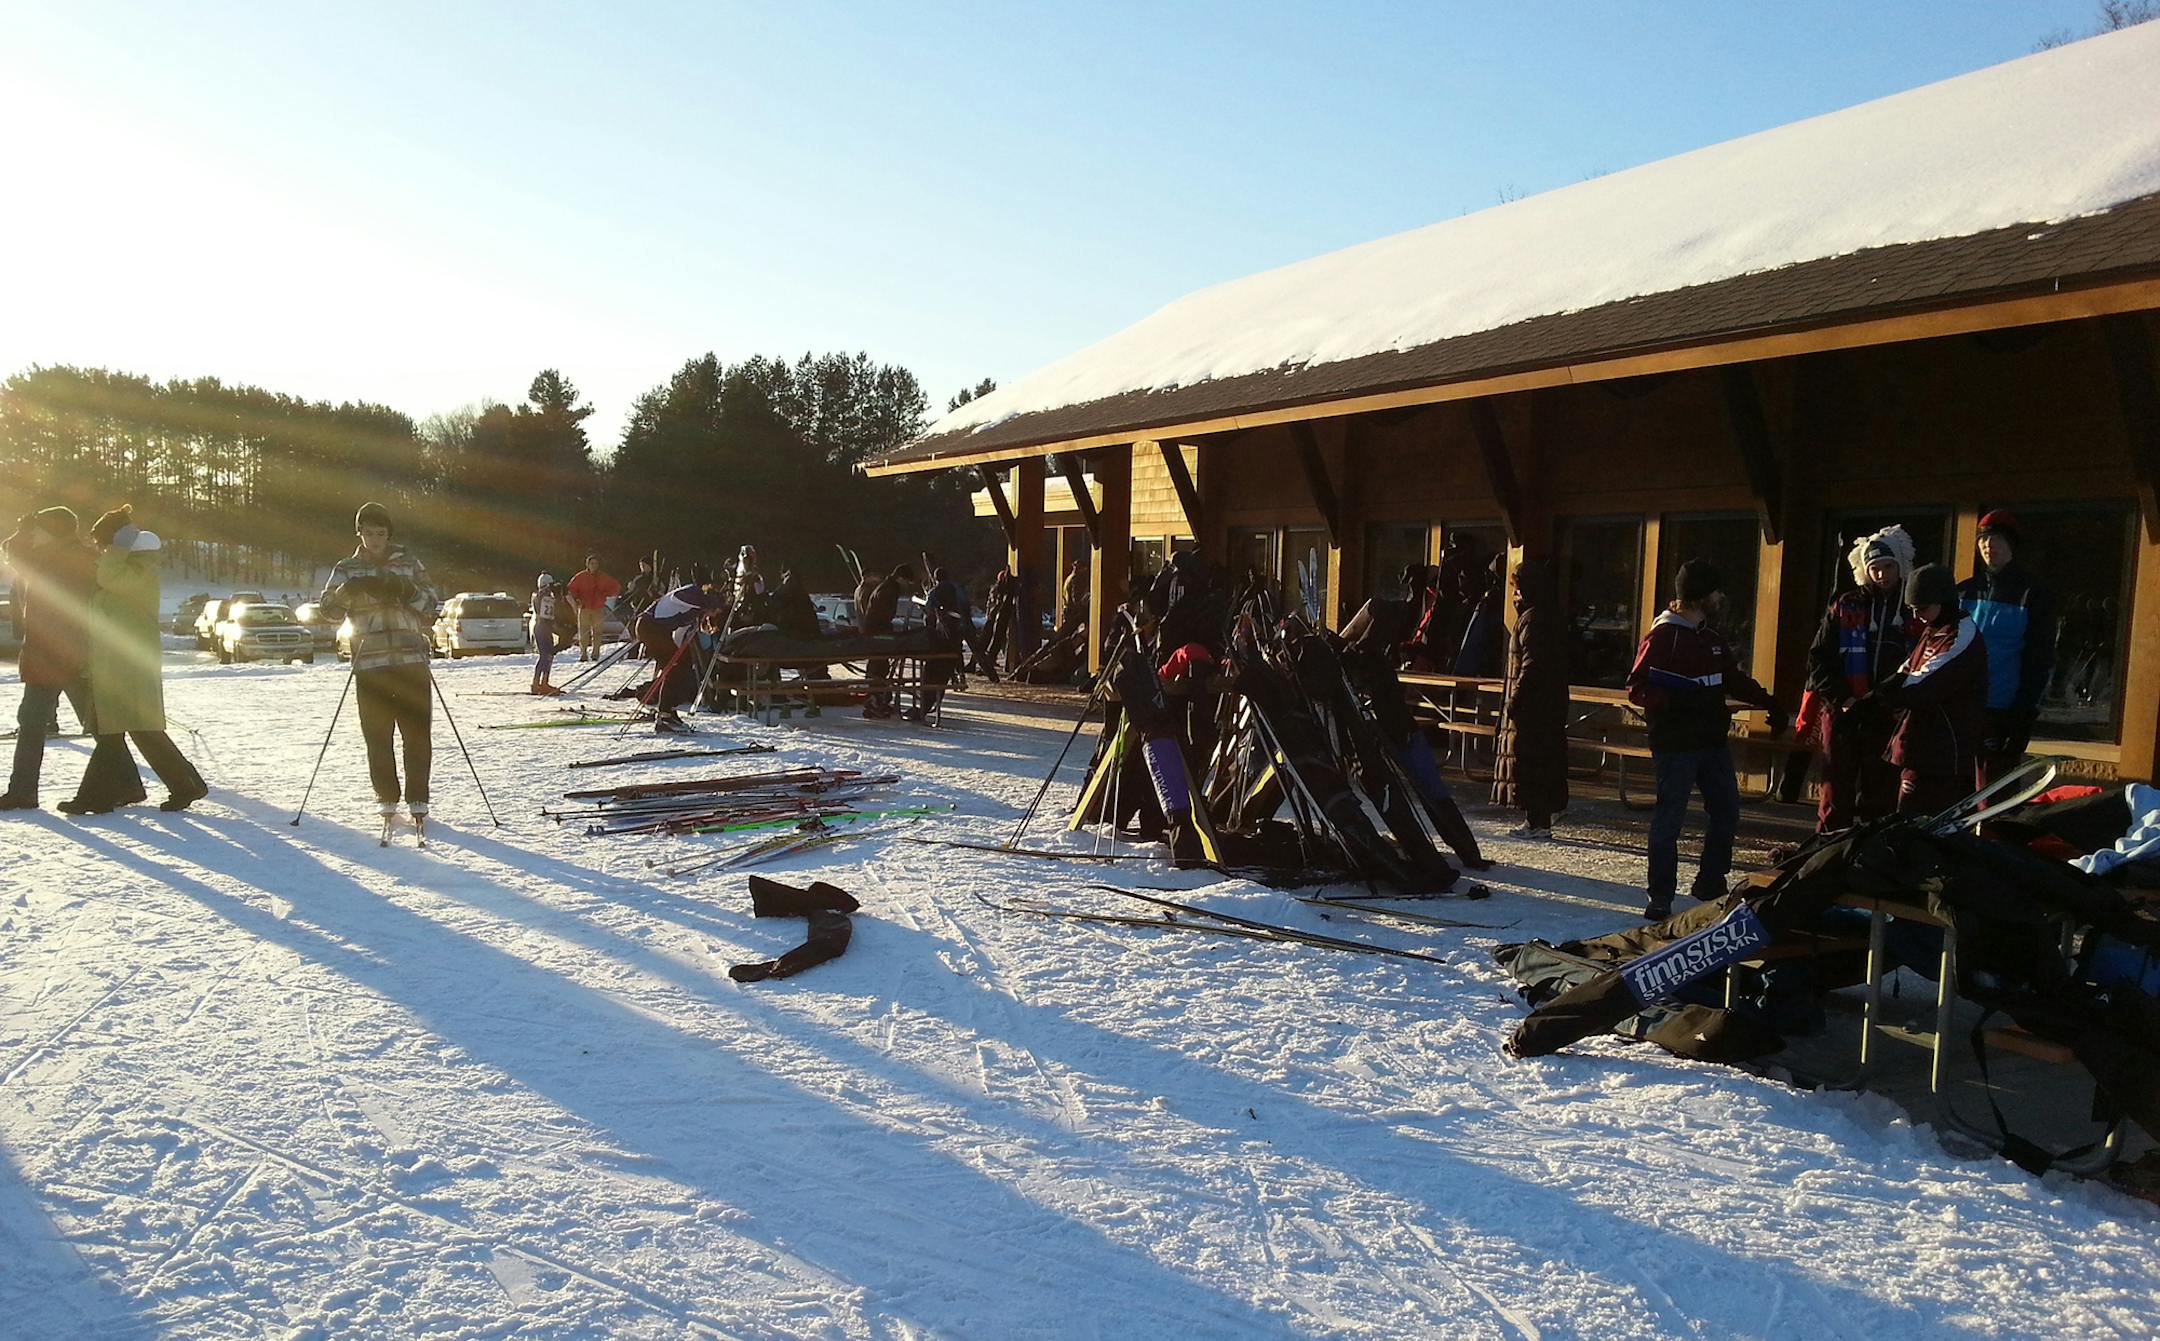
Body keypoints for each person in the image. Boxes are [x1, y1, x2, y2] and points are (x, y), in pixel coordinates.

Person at [1625, 558, 1782, 920]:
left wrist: (1768, 701)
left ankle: (1711, 882)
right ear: (1698, 596)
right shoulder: (1663, 636)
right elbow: (1637, 687)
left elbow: (1732, 678)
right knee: (1669, 819)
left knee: (1726, 811)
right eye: (1714, 591)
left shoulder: (1711, 638)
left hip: (1711, 741)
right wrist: (1674, 700)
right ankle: (1660, 895)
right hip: (1676, 744)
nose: (1720, 597)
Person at [62, 506, 209, 814]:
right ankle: (186, 785)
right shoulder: (130, 566)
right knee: (130, 730)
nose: (101, 550)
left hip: (126, 662)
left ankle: (96, 798)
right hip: (117, 661)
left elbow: (111, 577)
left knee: (114, 731)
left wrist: (117, 548)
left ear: (121, 541)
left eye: (105, 543)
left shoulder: (137, 569)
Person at [319, 502, 435, 825]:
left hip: (410, 659)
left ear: (389, 534)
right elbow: (327, 610)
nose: (375, 539)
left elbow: (432, 605)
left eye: (381, 533)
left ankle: (418, 797)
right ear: (360, 534)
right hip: (370, 663)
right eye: (369, 533)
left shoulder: (409, 563)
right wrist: (347, 591)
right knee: (377, 735)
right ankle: (386, 795)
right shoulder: (346, 567)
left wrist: (407, 590)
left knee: (416, 734)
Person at [1801, 525, 1914, 833]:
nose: (1882, 575)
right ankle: (1828, 851)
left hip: (1887, 714)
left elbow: (1921, 663)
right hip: (1843, 711)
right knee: (1836, 790)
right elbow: (1818, 658)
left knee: (1881, 792)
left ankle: (1870, 856)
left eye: (1888, 567)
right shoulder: (1845, 604)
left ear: (1900, 565)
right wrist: (1844, 698)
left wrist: (1897, 703)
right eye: (1874, 568)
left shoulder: (1911, 611)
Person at [2, 508, 98, 811]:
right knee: (36, 721)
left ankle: (23, 791)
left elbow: (13, 553)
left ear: (53, 532)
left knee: (95, 724)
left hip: (62, 653)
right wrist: (25, 527)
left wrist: (22, 529)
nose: (33, 535)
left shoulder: (63, 557)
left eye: (38, 530)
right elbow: (13, 552)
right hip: (53, 653)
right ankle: (22, 791)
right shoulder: (56, 555)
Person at [1875, 563, 1990, 815]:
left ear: (1943, 600)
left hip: (1944, 751)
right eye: (1912, 610)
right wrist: (1881, 692)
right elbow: (1908, 669)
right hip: (1919, 746)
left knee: (1927, 825)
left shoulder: (1962, 634)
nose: (1917, 616)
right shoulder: (1932, 630)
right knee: (1905, 818)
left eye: (1922, 608)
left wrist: (1886, 696)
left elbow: (1927, 683)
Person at [1957, 510, 2054, 787]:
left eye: (1997, 539)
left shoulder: (2033, 594)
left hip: (2003, 711)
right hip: (1962, 708)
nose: (1989, 546)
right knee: (1954, 795)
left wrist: (2023, 712)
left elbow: (2040, 658)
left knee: (1994, 797)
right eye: (1983, 540)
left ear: (2012, 545)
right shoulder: (1963, 592)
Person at [1492, 558, 1568, 838]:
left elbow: (1532, 665)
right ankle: (1537, 817)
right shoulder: (1545, 615)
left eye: (1519, 588)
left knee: (1532, 761)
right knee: (1539, 760)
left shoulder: (1534, 619)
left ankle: (1537, 820)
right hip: (1546, 706)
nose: (1516, 594)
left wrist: (1516, 700)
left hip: (1534, 708)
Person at [635, 566, 714, 733]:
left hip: (658, 630)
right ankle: (664, 715)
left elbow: (679, 634)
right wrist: (707, 605)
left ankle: (668, 711)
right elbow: (686, 601)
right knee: (674, 669)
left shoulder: (696, 608)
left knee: (681, 666)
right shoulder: (691, 592)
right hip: (649, 626)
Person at [859, 564, 920, 720]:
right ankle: (875, 702)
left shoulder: (886, 587)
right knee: (879, 668)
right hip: (878, 635)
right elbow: (883, 617)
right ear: (900, 578)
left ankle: (878, 700)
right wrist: (891, 635)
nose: (907, 586)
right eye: (907, 582)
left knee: (879, 667)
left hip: (875, 633)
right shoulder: (888, 590)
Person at [565, 553, 620, 663]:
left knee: (597, 632)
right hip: (584, 608)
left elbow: (616, 587)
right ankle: (583, 653)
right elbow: (571, 589)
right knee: (583, 632)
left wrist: (605, 593)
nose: (594, 565)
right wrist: (577, 600)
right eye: (591, 563)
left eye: (596, 563)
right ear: (587, 564)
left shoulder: (603, 577)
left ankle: (595, 654)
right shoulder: (580, 577)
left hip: (598, 608)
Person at [530, 574, 566, 696]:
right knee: (544, 656)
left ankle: (544, 682)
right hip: (541, 628)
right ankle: (536, 683)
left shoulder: (548, 596)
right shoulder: (540, 595)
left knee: (549, 656)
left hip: (547, 628)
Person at [618, 556, 659, 622]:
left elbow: (660, 592)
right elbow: (631, 590)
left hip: (651, 606)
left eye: (644, 565)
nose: (642, 567)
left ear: (649, 566)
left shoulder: (655, 579)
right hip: (638, 605)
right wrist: (623, 597)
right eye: (641, 565)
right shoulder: (638, 579)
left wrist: (652, 593)